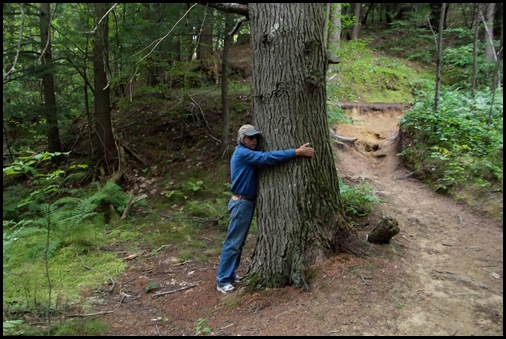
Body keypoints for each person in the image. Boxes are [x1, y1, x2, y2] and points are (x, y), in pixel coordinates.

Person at [216, 124, 315, 293]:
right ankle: (222, 280)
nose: (254, 141)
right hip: (241, 202)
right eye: (249, 138)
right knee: (233, 243)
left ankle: (230, 274)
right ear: (242, 139)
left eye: (255, 138)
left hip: (245, 202)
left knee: (238, 242)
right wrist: (296, 152)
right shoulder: (243, 153)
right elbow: (267, 158)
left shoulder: (246, 152)